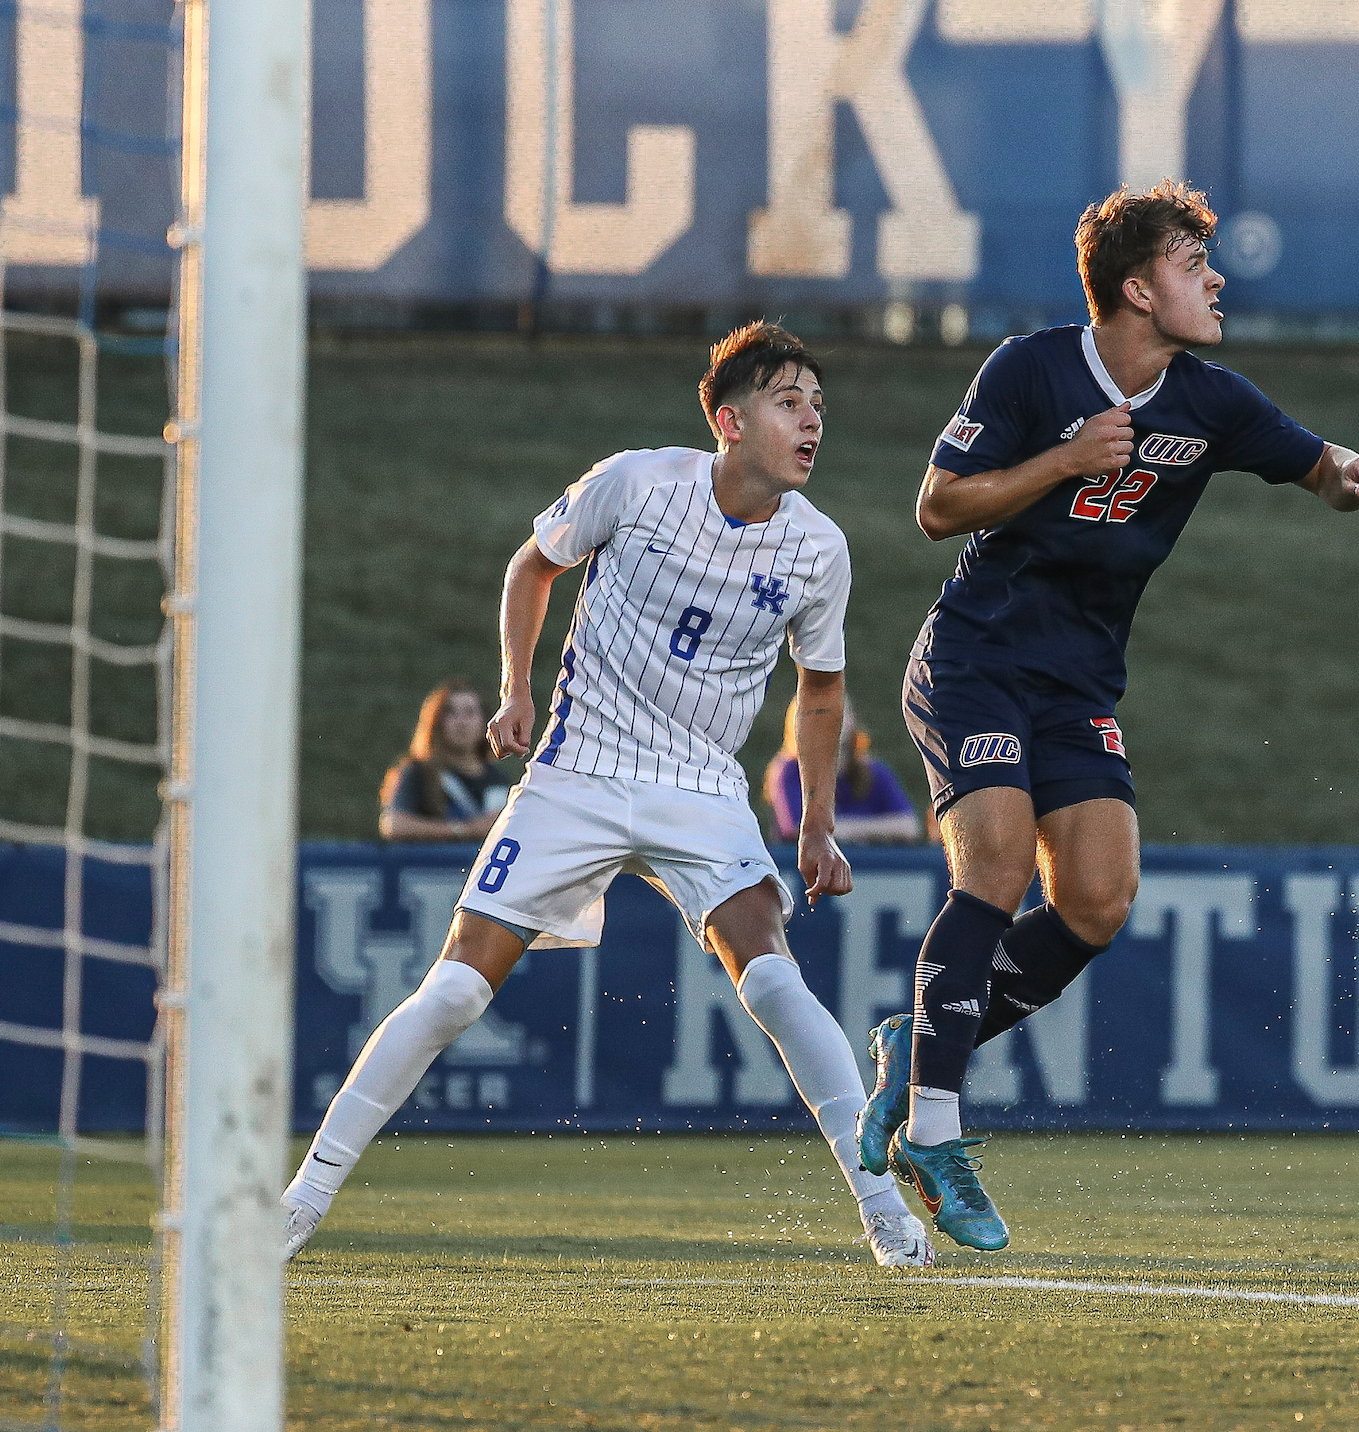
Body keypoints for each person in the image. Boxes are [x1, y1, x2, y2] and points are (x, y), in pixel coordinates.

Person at [282, 322, 934, 1269]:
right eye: (789, 401)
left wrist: (818, 825)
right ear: (728, 418)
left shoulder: (818, 547)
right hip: (578, 769)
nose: (811, 421)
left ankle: (884, 1215)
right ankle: (301, 1200)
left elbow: (821, 690)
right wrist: (516, 685)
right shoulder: (637, 481)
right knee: (456, 989)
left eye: (819, 405)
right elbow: (531, 565)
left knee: (775, 982)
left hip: (703, 785)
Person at [853, 180, 1359, 1250]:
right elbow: (935, 508)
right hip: (976, 658)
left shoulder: (1211, 399)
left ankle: (918, 1039)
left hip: (1076, 684)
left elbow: (1319, 468)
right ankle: (934, 1127)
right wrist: (1062, 459)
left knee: (1100, 900)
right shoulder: (1032, 369)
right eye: (1193, 263)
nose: (1217, 278)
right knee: (998, 868)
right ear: (1136, 289)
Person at [765, 693, 921, 844]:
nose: (829, 718)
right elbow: (797, 830)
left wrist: (843, 830)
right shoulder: (789, 772)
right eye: (817, 712)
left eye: (838, 709)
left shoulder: (875, 773)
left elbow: (908, 825)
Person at [378, 681, 513, 842]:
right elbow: (394, 825)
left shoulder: (499, 779)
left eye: (470, 713)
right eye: (451, 713)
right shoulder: (417, 772)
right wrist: (465, 829)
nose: (461, 722)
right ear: (435, 721)